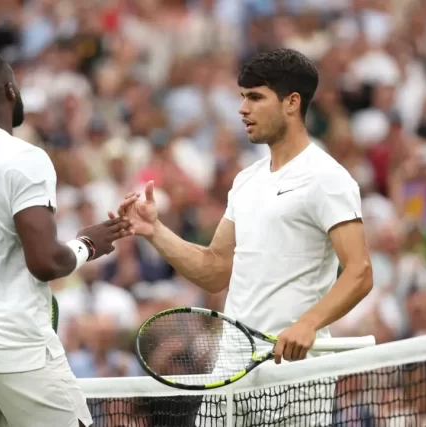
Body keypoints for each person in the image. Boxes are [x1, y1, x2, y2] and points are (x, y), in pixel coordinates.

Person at [115, 48, 373, 426]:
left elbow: (360, 271)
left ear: (292, 103)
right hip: (232, 368)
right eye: (242, 97)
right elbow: (215, 268)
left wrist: (308, 323)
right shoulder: (246, 180)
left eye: (255, 97)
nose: (242, 109)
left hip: (295, 375)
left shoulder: (327, 178)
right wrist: (155, 232)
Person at [0, 48, 132, 427]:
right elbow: (46, 262)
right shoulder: (24, 158)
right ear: (10, 90)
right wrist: (87, 244)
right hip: (13, 348)